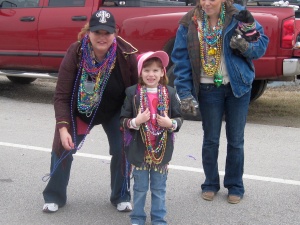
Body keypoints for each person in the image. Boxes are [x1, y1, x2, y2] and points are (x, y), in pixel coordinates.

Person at [171, 0, 269, 204]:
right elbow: (181, 60)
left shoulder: (239, 16)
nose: (207, 3)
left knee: (236, 140)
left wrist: (245, 46)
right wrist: (185, 92)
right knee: (211, 139)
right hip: (208, 89)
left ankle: (235, 185)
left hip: (237, 87)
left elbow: (259, 48)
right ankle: (210, 183)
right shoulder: (189, 22)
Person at [42, 9, 138, 213]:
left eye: (107, 33)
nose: (102, 37)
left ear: (115, 33)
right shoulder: (75, 52)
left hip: (114, 111)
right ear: (88, 32)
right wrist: (63, 128)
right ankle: (54, 196)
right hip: (81, 111)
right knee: (63, 146)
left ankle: (121, 195)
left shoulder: (127, 53)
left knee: (123, 148)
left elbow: (134, 92)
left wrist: (134, 122)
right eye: (97, 32)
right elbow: (61, 95)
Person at [120, 51, 183, 225]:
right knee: (139, 188)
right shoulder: (132, 93)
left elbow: (179, 118)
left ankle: (158, 219)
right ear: (140, 72)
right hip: (139, 151)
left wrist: (170, 123)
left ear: (163, 72)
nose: (151, 74)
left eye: (156, 70)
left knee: (159, 188)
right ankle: (137, 218)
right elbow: (122, 120)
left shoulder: (170, 93)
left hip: (161, 152)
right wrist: (136, 121)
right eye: (147, 70)